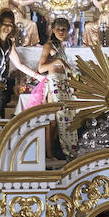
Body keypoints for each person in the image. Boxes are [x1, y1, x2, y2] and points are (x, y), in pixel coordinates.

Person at [37, 17, 78, 158]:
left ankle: (57, 152)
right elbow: (41, 68)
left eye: (63, 29)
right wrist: (57, 61)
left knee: (59, 121)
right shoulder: (48, 46)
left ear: (67, 31)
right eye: (58, 29)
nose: (60, 32)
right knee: (53, 121)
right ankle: (48, 154)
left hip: (64, 85)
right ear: (53, 30)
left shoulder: (62, 46)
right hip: (54, 84)